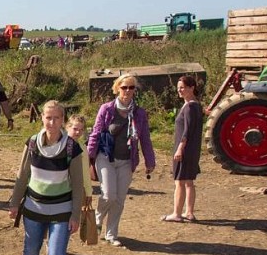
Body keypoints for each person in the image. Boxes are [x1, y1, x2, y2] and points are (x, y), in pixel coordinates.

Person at [8, 101, 84, 255]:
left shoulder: (72, 148)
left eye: (57, 118)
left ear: (63, 120)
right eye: (48, 118)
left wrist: (76, 215)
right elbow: (22, 176)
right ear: (42, 118)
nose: (52, 123)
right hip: (34, 208)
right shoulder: (32, 143)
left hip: (62, 211)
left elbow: (78, 184)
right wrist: (14, 203)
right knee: (31, 251)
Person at [87, 74, 156, 246]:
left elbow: (145, 139)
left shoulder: (139, 114)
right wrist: (88, 157)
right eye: (124, 87)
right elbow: (95, 133)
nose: (127, 91)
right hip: (105, 157)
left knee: (119, 199)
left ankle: (111, 234)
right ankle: (97, 218)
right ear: (117, 88)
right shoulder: (106, 109)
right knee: (109, 195)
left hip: (127, 160)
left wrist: (150, 161)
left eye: (131, 87)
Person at [163, 75, 203, 222]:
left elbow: (187, 130)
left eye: (183, 87)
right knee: (189, 182)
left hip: (185, 149)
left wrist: (180, 148)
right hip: (193, 149)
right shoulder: (196, 105)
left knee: (180, 182)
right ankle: (189, 212)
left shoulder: (190, 106)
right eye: (179, 87)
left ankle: (177, 213)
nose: (180, 90)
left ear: (192, 88)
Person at [66, 114, 91, 205]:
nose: (78, 132)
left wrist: (88, 191)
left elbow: (85, 171)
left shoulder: (82, 148)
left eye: (81, 130)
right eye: (75, 129)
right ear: (67, 127)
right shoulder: (60, 144)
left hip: (76, 189)